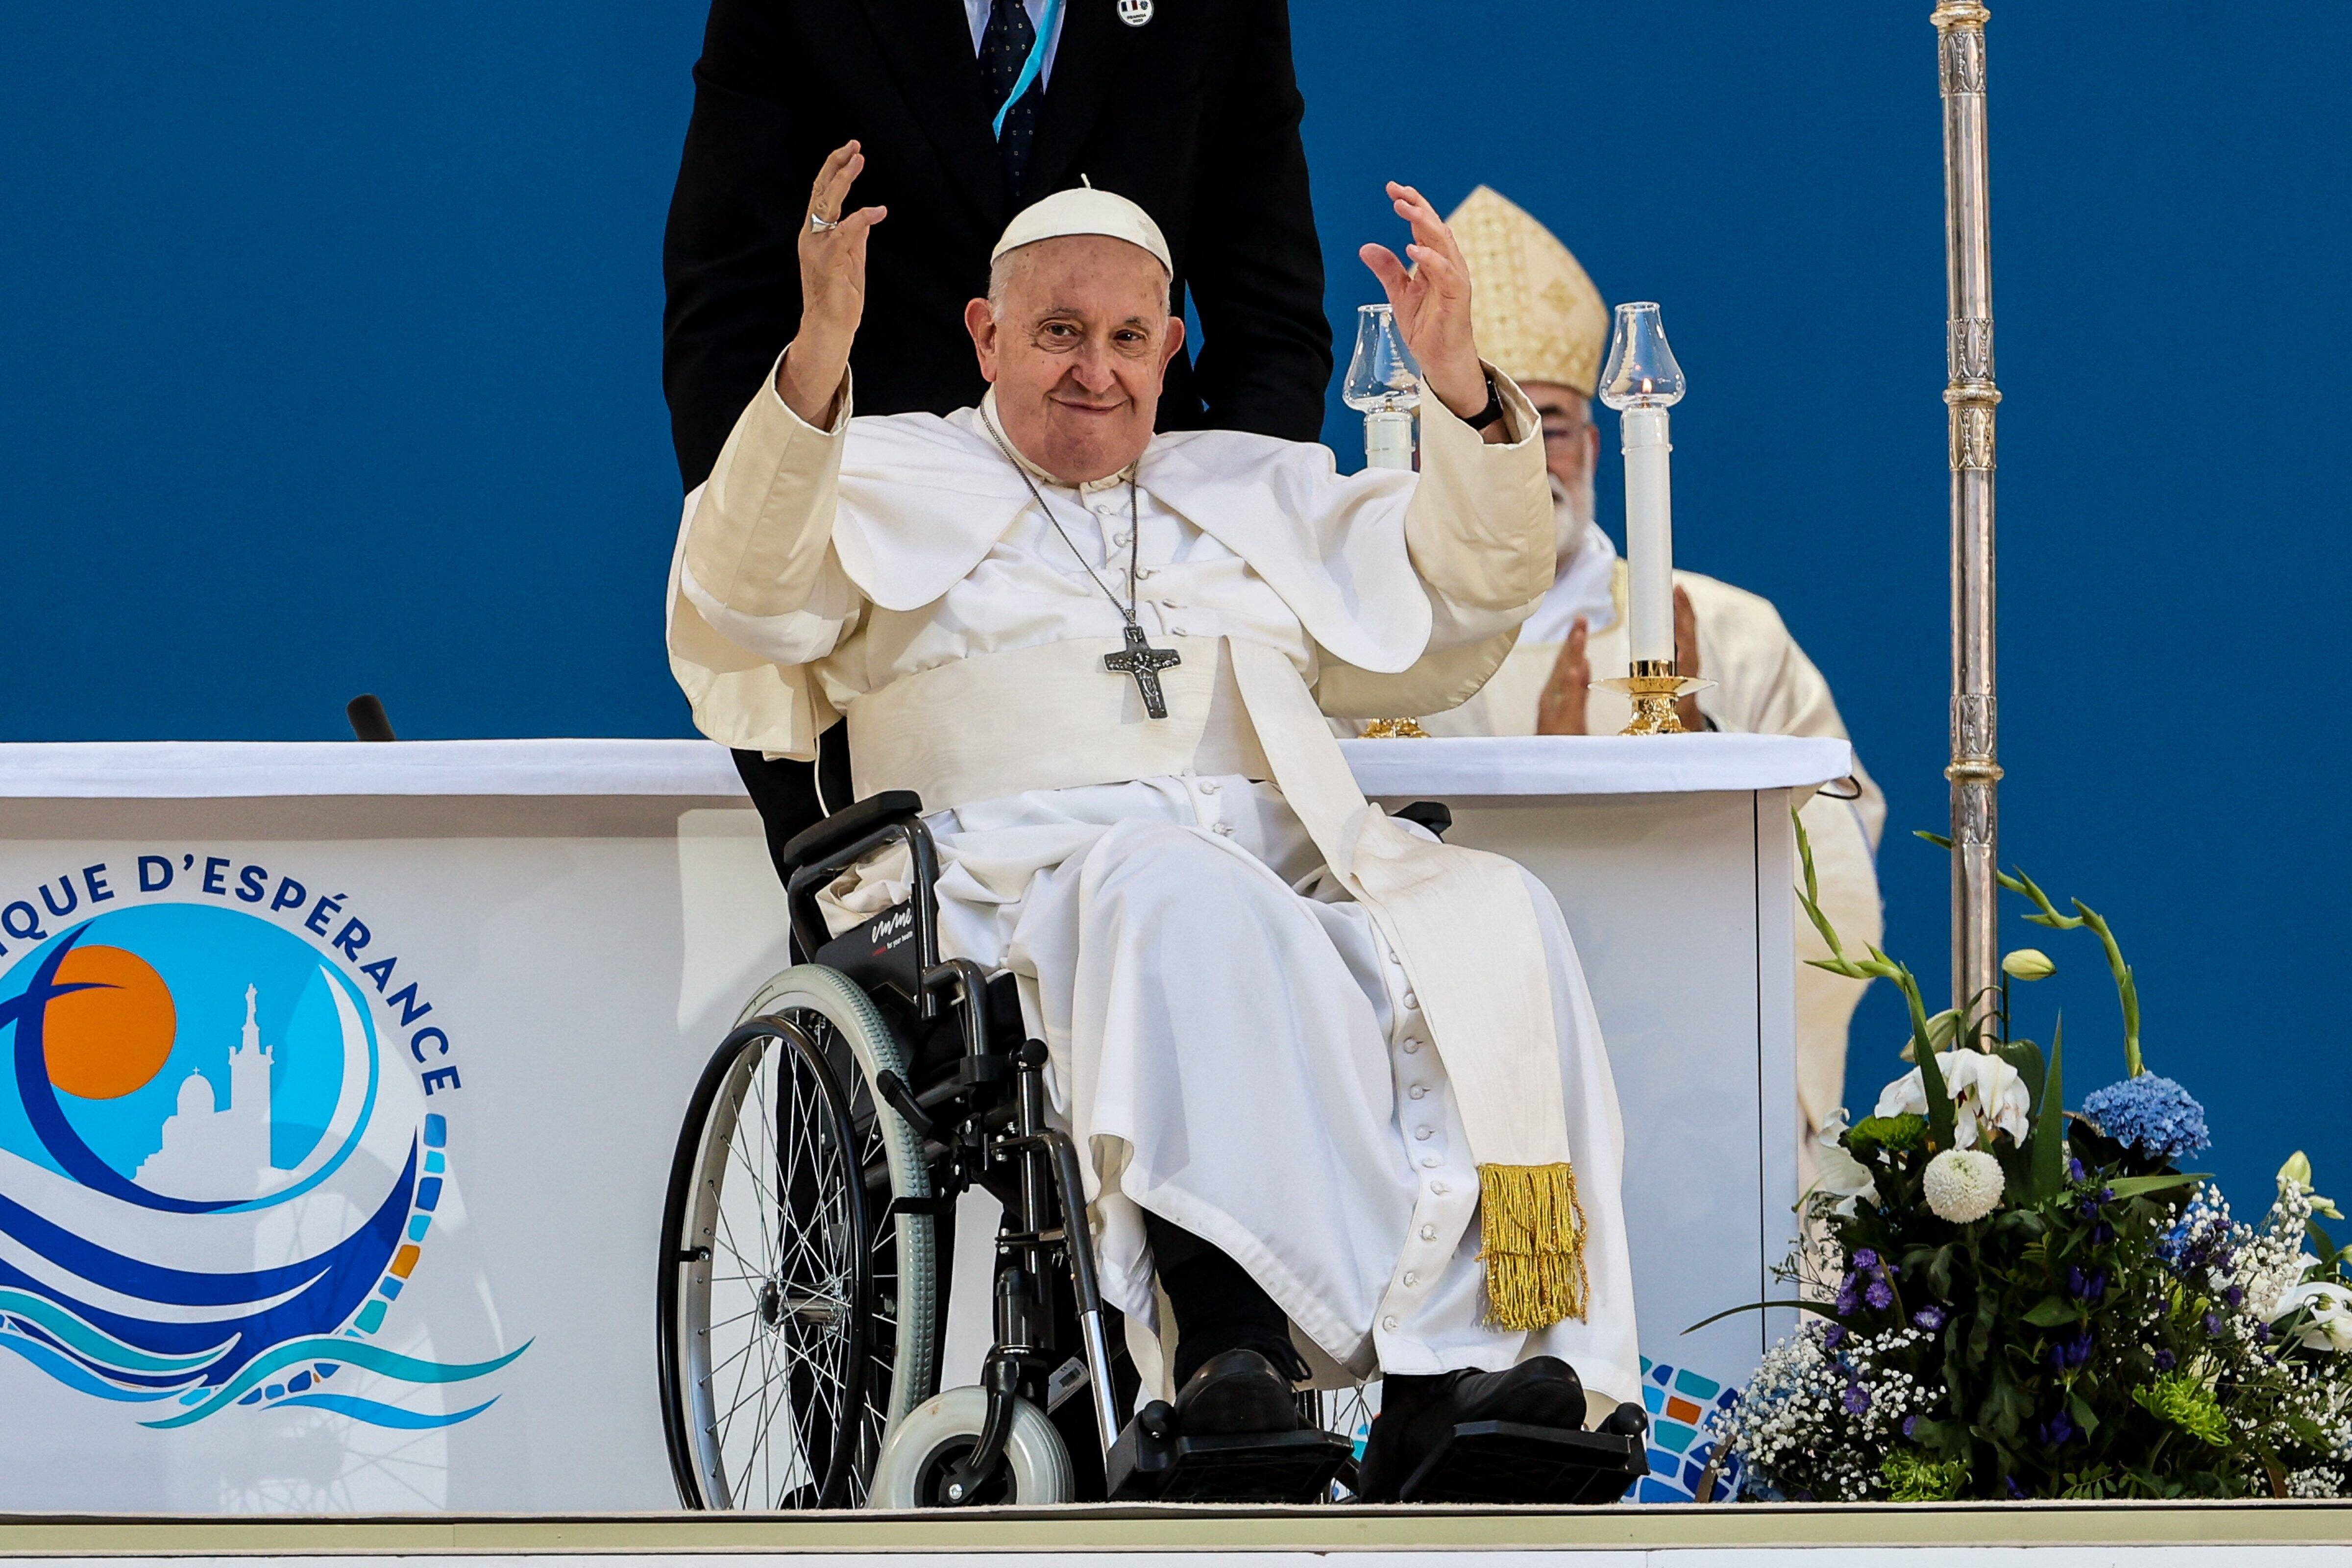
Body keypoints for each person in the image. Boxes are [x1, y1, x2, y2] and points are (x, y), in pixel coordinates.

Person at [665, 148, 1639, 1498]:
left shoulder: (1253, 488)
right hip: (1007, 887)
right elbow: (746, 593)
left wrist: (1462, 389)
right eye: (1058, 333)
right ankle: (1225, 1346)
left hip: (1268, 868)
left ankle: (1464, 1378)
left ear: (1172, 345)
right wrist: (821, 350)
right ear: (985, 335)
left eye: (1129, 338)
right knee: (1170, 888)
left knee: (1494, 913)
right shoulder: (887, 472)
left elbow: (1462, 594)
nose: (1095, 369)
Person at [663, 0, 1333, 871]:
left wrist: (1221, 571)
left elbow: (1271, 329)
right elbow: (725, 322)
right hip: (883, 581)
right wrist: (771, 582)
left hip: (1141, 569)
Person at [1410, 187, 1886, 1199]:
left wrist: (1696, 727)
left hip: (1691, 1076)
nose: (1533, 454)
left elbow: (1839, 852)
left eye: (1562, 426)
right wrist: (1529, 783)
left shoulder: (1724, 628)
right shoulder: (1386, 644)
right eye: (1497, 425)